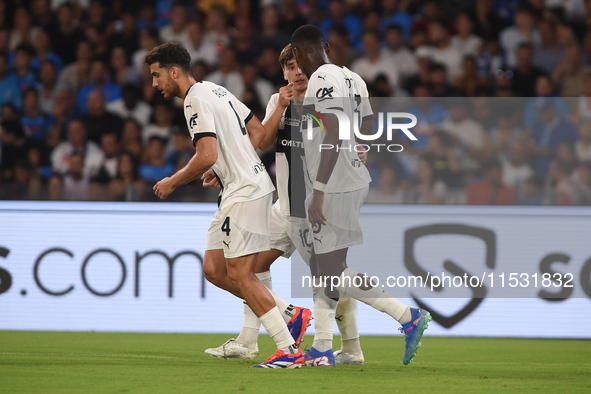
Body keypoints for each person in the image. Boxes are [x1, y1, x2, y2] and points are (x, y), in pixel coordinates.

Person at [145, 42, 306, 368]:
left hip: (245, 192)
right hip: (242, 186)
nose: (154, 84)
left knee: (241, 274)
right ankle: (290, 312)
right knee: (215, 269)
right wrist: (222, 169)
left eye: (157, 75)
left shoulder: (193, 101)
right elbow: (259, 135)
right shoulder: (214, 90)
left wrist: (172, 181)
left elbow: (207, 154)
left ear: (174, 72)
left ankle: (289, 350)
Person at [203, 44, 364, 365]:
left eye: (301, 65)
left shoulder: (327, 97)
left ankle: (370, 333)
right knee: (250, 267)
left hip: (320, 203)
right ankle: (250, 340)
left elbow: (349, 139)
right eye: (290, 67)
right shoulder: (279, 101)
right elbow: (260, 142)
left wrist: (357, 151)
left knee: (332, 277)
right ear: (283, 73)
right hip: (285, 206)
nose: (297, 72)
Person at [290, 24, 431, 367]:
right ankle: (323, 346)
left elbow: (334, 130)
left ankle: (406, 315)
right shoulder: (353, 77)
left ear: (298, 54)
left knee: (331, 268)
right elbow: (363, 125)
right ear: (325, 45)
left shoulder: (321, 78)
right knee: (328, 267)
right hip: (353, 177)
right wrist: (358, 147)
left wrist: (319, 191)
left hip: (335, 183)